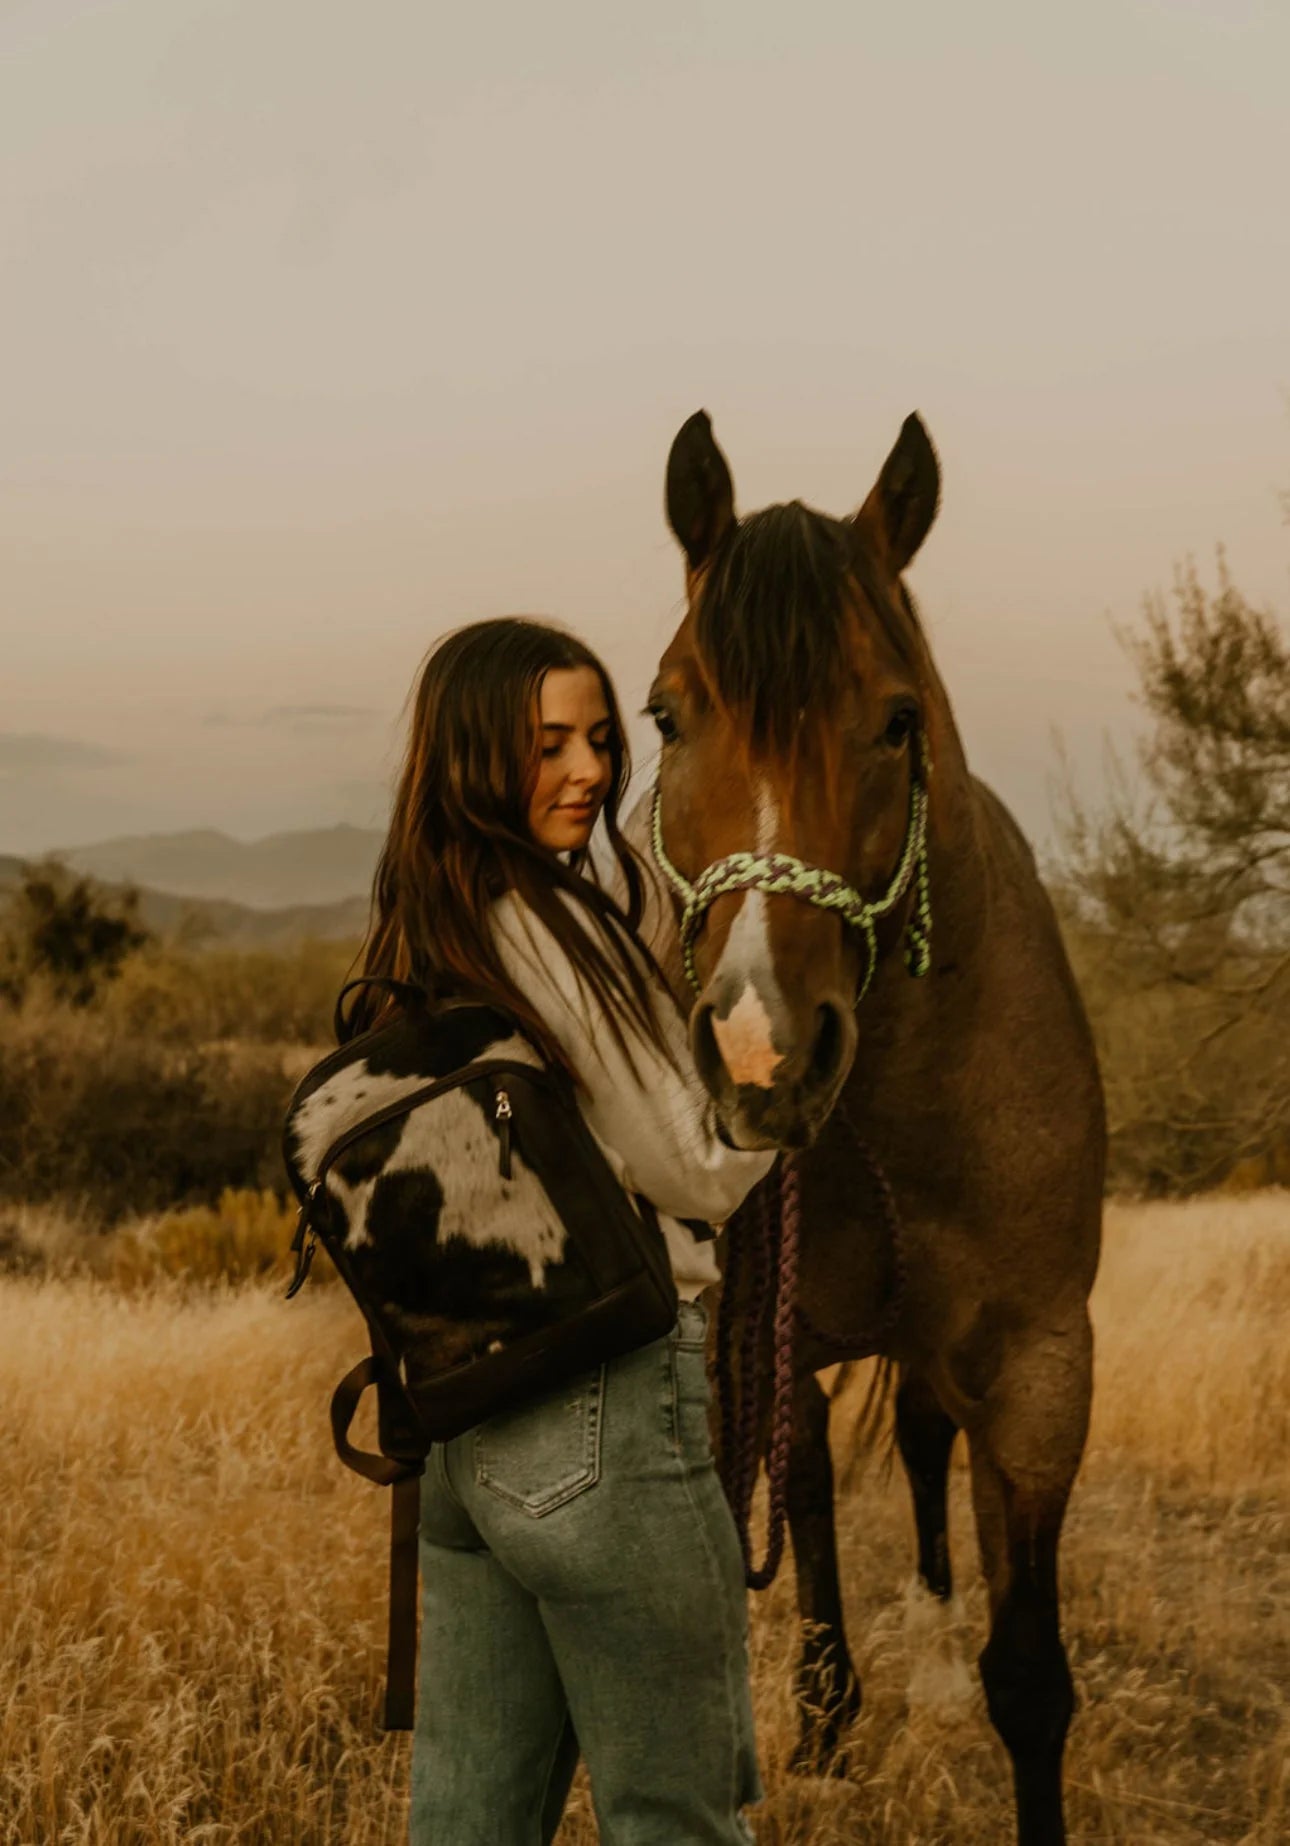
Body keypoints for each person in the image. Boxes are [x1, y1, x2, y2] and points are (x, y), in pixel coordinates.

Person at [354, 617, 775, 1846]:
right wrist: (779, 1082)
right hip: (608, 1417)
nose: (589, 769)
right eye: (547, 745)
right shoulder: (547, 927)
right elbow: (697, 1168)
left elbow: (641, 902)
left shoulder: (435, 916)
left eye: (600, 737)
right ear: (478, 755)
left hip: (473, 1428)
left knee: (470, 1820)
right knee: (674, 1815)